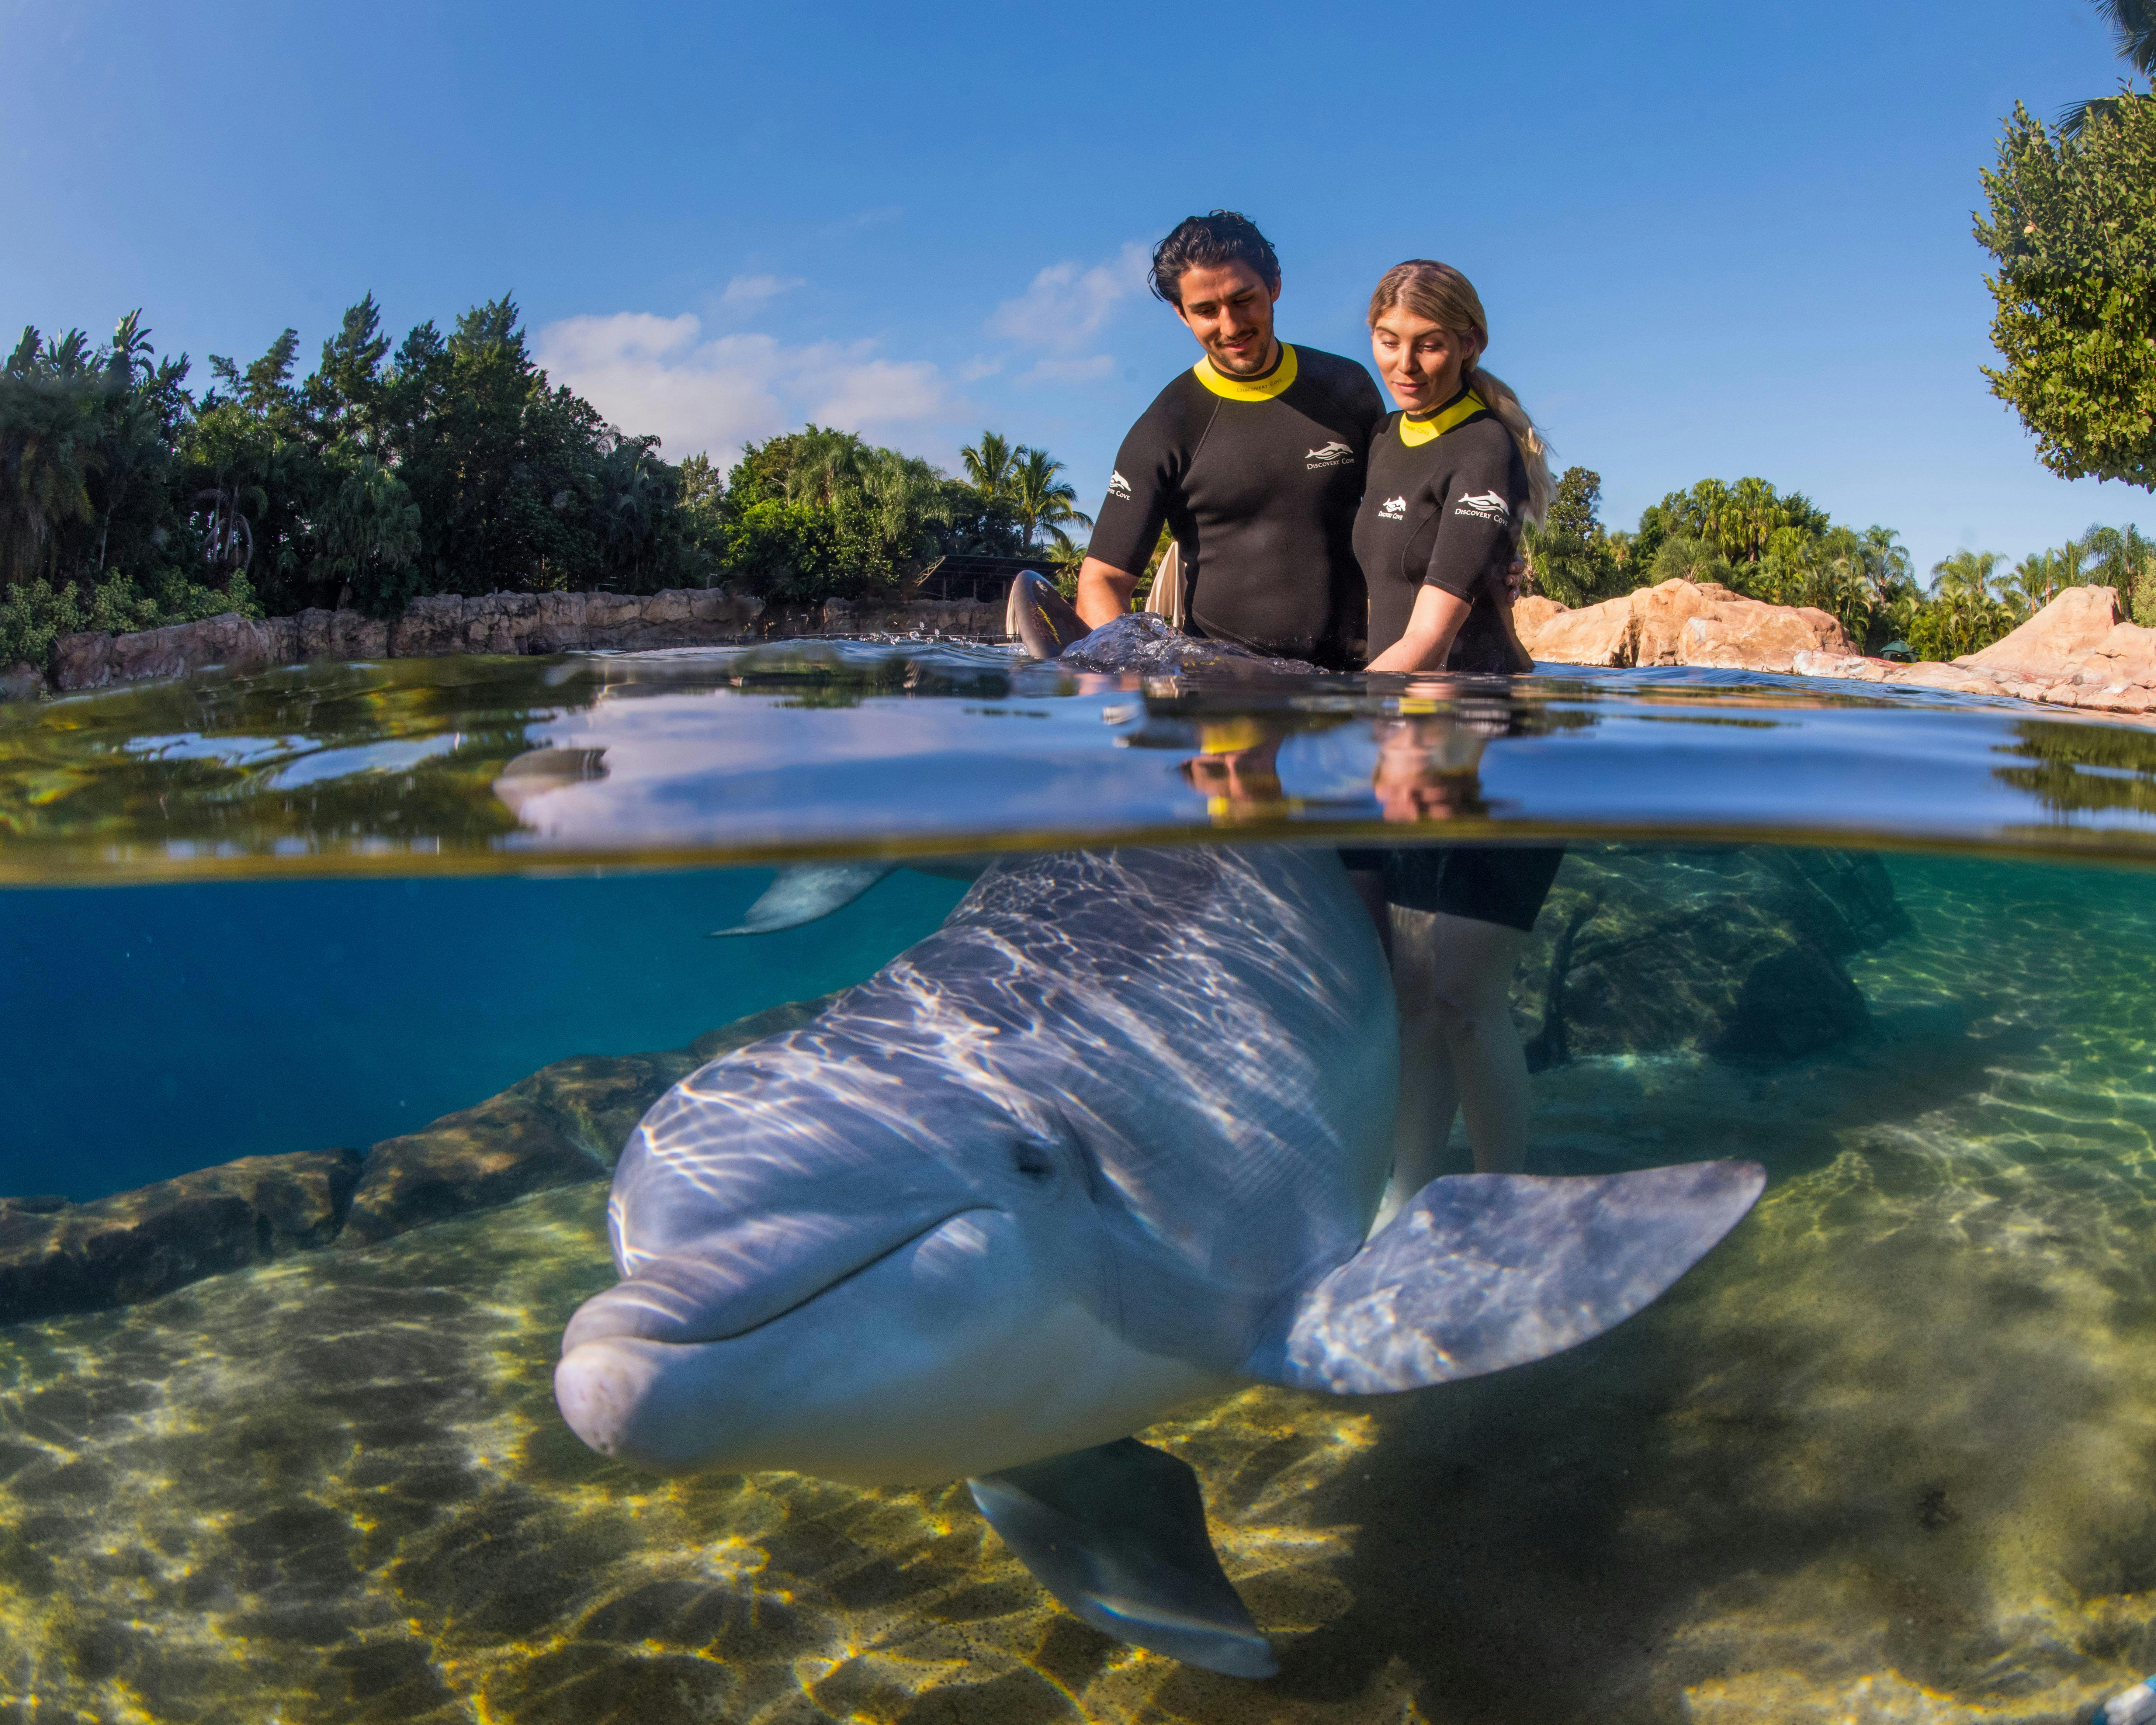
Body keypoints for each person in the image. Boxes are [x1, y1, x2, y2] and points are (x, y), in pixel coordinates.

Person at [1344, 259, 1567, 1182]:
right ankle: (1405, 1204)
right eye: (1390, 342)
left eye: (1431, 343)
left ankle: (1503, 1201)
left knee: (1466, 997)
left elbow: (1428, 636)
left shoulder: (1484, 449)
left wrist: (1340, 714)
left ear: (1469, 343)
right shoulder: (1383, 441)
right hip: (1411, 736)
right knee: (1411, 995)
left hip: (1489, 741)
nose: (1409, 362)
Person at [1075, 211, 1387, 668]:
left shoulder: (1347, 389)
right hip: (1222, 696)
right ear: (1181, 314)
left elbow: (1401, 511)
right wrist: (1132, 674)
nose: (1230, 325)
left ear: (1274, 286)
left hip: (1349, 689)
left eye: (1244, 300)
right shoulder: (1165, 427)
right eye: (1205, 311)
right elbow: (1099, 582)